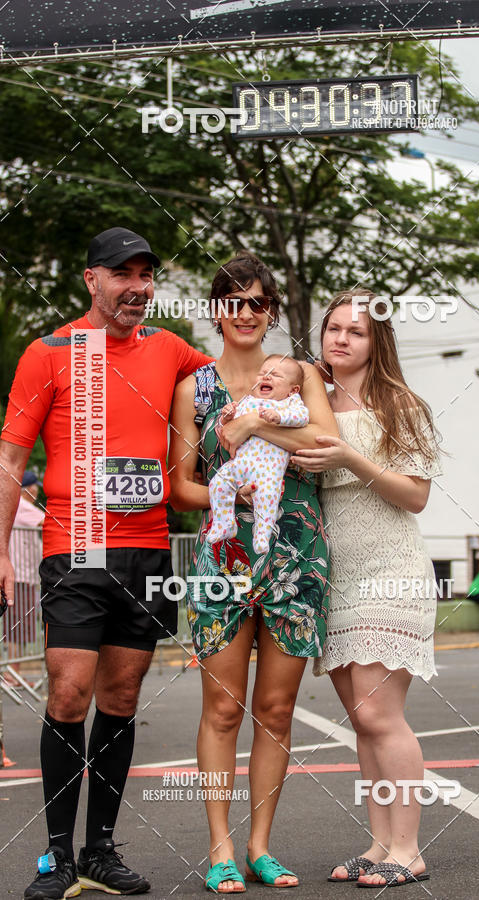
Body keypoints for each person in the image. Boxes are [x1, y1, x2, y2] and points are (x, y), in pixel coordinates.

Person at [0, 227, 212, 900]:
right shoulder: (50, 352)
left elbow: (233, 381)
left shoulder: (171, 349)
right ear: (92, 280)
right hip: (74, 547)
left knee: (121, 698)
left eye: (147, 275)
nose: (138, 287)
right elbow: (9, 461)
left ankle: (100, 851)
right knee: (68, 692)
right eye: (124, 274)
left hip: (148, 548)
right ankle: (58, 856)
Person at [169, 251, 337, 893]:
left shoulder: (303, 377)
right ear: (217, 311)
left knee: (276, 707)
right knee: (222, 708)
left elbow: (326, 449)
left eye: (258, 302)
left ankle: (261, 847)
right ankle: (219, 849)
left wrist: (254, 421)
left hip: (297, 556)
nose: (245, 313)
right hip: (226, 557)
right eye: (233, 301)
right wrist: (227, 489)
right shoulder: (195, 388)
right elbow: (180, 487)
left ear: (271, 312)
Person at [291, 289, 441, 889]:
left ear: (378, 342)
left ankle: (408, 846)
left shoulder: (400, 404)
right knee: (361, 718)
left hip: (393, 571)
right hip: (338, 577)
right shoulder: (312, 404)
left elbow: (416, 495)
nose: (341, 339)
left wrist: (352, 459)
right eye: (333, 328)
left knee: (382, 713)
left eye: (356, 331)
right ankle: (380, 844)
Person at [207, 355, 309, 554]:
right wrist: (228, 415)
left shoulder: (290, 404)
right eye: (263, 373)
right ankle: (223, 523)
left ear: (293, 390)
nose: (267, 377)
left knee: (267, 497)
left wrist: (280, 417)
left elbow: (302, 417)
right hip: (242, 462)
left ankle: (262, 533)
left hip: (269, 469)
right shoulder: (249, 401)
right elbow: (230, 428)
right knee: (218, 484)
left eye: (276, 375)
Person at [3, 471, 44, 681]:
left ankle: (14, 672)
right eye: (35, 486)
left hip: (23, 576)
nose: (37, 490)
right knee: (16, 626)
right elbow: (48, 523)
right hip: (20, 577)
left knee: (18, 626)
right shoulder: (22, 506)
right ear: (30, 488)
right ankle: (12, 673)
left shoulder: (17, 506)